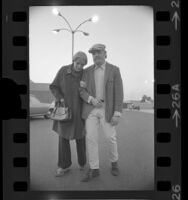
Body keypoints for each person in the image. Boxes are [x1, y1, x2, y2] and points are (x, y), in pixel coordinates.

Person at [79, 44, 124, 182]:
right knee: (91, 139)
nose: (96, 55)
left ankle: (114, 163)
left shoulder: (114, 70)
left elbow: (119, 92)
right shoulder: (86, 72)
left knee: (110, 137)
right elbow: (81, 91)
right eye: (93, 53)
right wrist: (91, 100)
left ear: (105, 54)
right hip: (90, 110)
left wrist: (117, 113)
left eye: (99, 52)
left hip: (107, 109)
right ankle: (94, 169)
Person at [49, 51, 87, 177]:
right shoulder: (63, 71)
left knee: (81, 138)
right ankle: (64, 166)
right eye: (78, 63)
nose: (79, 66)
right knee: (63, 139)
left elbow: (89, 91)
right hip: (64, 111)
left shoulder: (85, 75)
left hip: (80, 112)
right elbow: (54, 86)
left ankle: (82, 163)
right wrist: (59, 97)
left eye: (82, 64)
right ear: (73, 61)